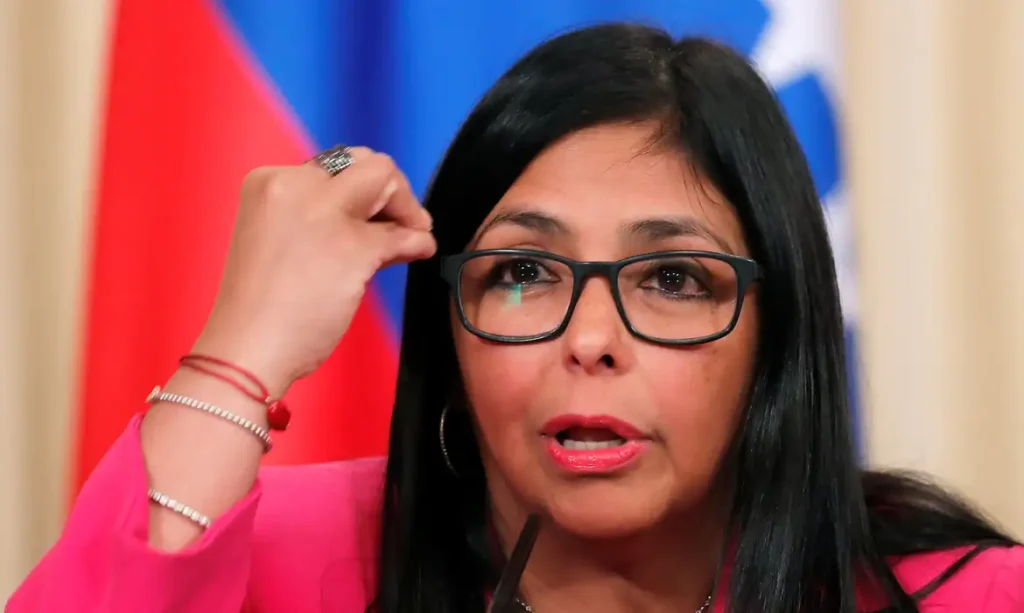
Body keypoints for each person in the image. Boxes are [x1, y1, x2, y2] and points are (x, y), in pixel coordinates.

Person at [7, 23, 1023, 613]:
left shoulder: (963, 596)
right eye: (525, 271)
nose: (591, 339)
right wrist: (241, 350)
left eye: (673, 278)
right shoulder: (285, 558)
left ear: (775, 337)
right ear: (451, 325)